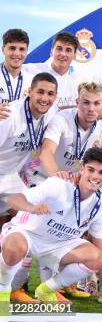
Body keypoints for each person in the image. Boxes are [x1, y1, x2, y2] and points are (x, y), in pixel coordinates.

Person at [0, 147, 102, 313]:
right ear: (82, 169)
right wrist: (31, 208)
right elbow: (14, 199)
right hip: (27, 236)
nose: (95, 176)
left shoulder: (98, 207)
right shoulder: (59, 185)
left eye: (101, 172)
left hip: (58, 245)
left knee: (97, 257)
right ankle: (3, 291)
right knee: (15, 245)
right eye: (91, 170)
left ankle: (46, 290)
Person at [0, 73, 58, 303]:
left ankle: (14, 287)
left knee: (28, 220)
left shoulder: (50, 113)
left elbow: (73, 108)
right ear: (29, 92)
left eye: (50, 94)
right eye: (40, 92)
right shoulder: (9, 115)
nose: (45, 98)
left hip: (10, 177)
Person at [24, 81, 102, 187]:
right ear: (77, 102)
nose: (91, 109)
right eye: (86, 103)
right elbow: (46, 152)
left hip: (69, 181)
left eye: (97, 103)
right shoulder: (62, 119)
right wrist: (57, 175)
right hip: (40, 176)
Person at [22, 31, 82, 109]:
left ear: (74, 55)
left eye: (68, 50)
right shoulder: (32, 70)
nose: (63, 54)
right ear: (51, 52)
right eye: (59, 49)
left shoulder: (78, 81)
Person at [0, 29, 33, 104]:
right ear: (3, 49)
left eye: (22, 49)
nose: (17, 53)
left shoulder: (32, 81)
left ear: (27, 51)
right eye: (12, 48)